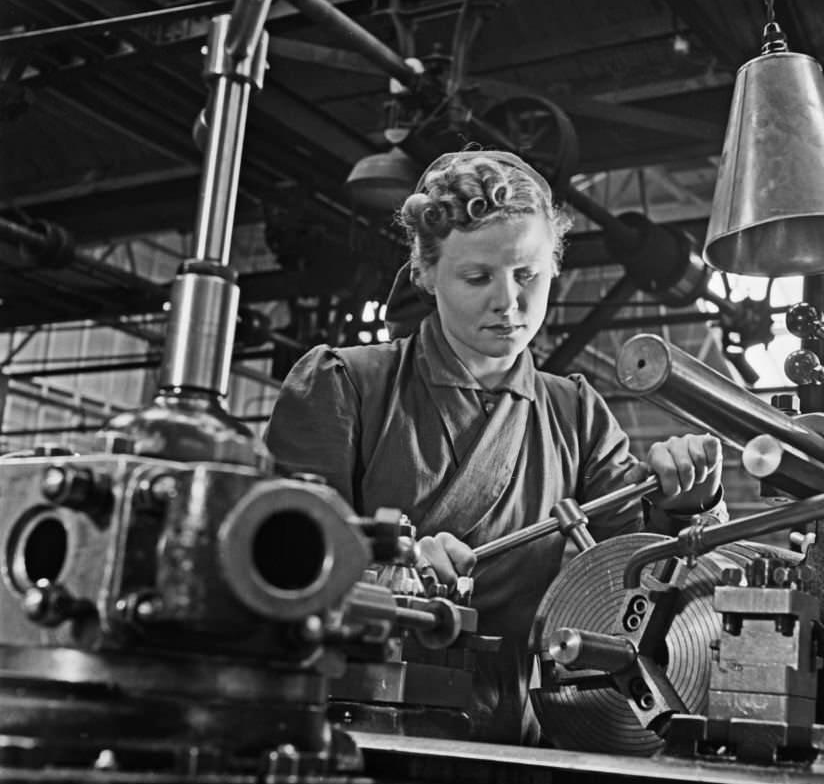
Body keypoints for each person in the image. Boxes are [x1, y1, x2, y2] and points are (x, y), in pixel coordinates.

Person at [265, 149, 726, 743]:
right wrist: (388, 572)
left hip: (526, 733)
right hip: (358, 724)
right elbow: (281, 570)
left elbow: (638, 587)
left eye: (527, 275)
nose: (508, 303)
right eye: (478, 277)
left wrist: (690, 499)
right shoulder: (344, 385)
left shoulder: (576, 412)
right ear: (427, 273)